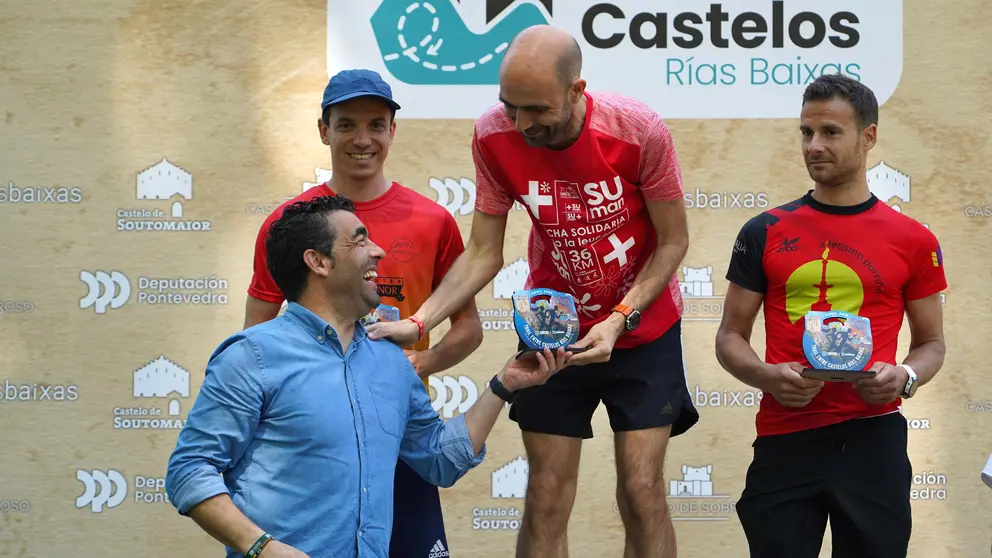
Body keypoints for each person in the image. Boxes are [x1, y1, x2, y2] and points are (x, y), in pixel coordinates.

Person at [366, 25, 697, 558]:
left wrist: (618, 319)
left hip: (642, 328)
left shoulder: (638, 131)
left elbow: (674, 241)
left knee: (641, 491)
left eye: (537, 110)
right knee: (545, 494)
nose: (520, 124)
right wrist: (420, 323)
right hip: (551, 329)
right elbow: (483, 253)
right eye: (509, 106)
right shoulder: (493, 135)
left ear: (576, 90)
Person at [165, 195, 572, 558]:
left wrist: (502, 386)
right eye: (359, 241)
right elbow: (189, 471)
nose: (378, 251)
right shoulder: (251, 355)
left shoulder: (391, 360)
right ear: (319, 262)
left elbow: (439, 460)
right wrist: (263, 549)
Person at [243, 69, 484, 556]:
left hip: (401, 435)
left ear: (393, 131)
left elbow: (469, 330)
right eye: (347, 124)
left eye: (376, 124)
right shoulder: (289, 224)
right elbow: (256, 342)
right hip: (315, 439)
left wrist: (420, 364)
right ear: (323, 131)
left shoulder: (432, 220)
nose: (362, 139)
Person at [714, 74, 947, 558]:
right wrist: (766, 376)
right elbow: (730, 336)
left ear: (869, 137)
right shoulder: (764, 230)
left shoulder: (913, 239)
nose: (814, 145)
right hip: (786, 435)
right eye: (806, 132)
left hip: (873, 438)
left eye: (830, 132)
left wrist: (904, 376)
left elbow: (931, 345)